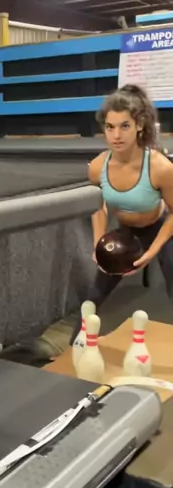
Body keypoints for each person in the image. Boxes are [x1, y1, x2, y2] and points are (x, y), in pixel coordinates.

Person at [71, 84, 173, 341]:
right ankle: (73, 348)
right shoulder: (97, 167)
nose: (116, 135)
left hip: (161, 229)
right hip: (126, 232)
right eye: (110, 127)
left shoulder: (160, 167)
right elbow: (98, 206)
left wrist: (152, 251)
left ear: (139, 125)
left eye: (124, 126)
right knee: (94, 295)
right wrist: (98, 242)